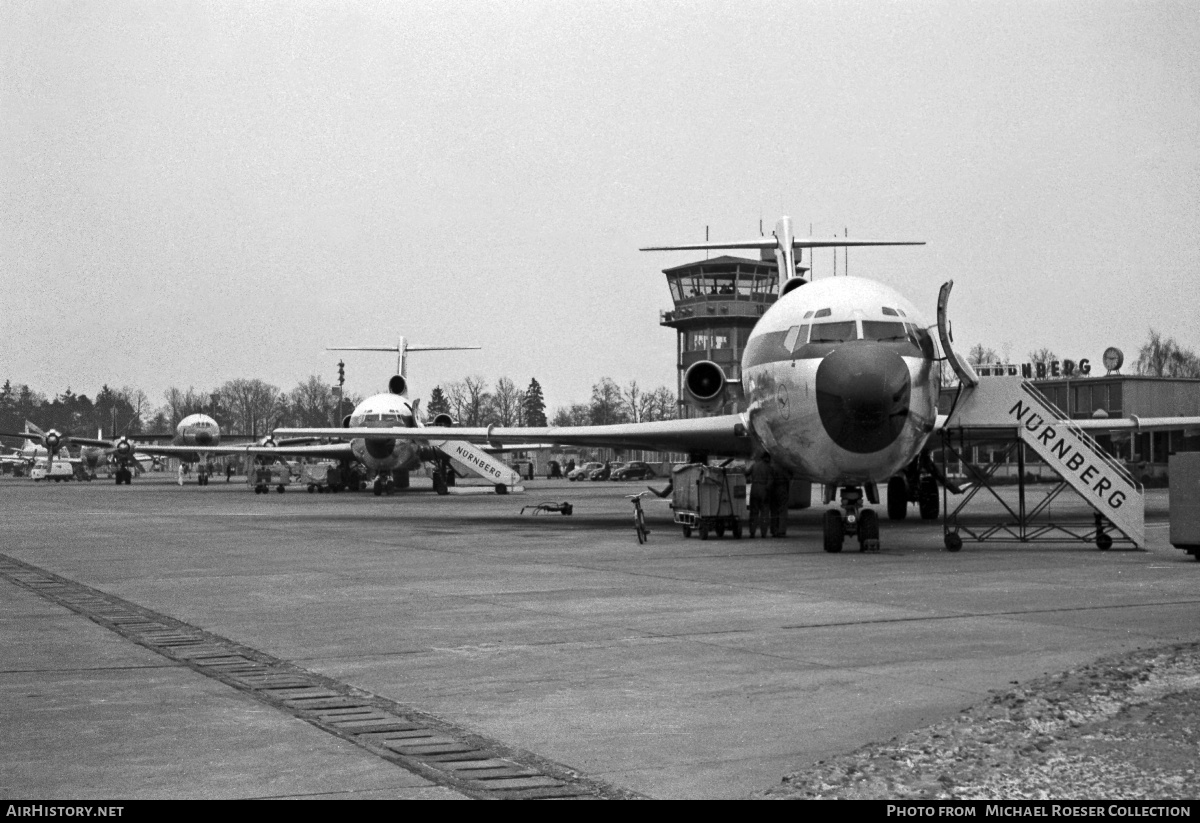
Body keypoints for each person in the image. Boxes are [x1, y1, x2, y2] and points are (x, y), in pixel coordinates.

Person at [747, 453, 773, 538]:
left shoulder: (754, 465)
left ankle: (752, 532)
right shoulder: (768, 467)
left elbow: (746, 473)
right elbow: (770, 482)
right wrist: (767, 491)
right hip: (763, 489)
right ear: (767, 458)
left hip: (754, 488)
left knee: (753, 512)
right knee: (764, 513)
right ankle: (763, 533)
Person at [768, 459, 793, 537]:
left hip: (772, 490)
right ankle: (781, 530)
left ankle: (774, 530)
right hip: (782, 489)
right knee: (782, 511)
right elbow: (789, 477)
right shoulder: (783, 467)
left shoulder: (770, 467)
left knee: (774, 512)